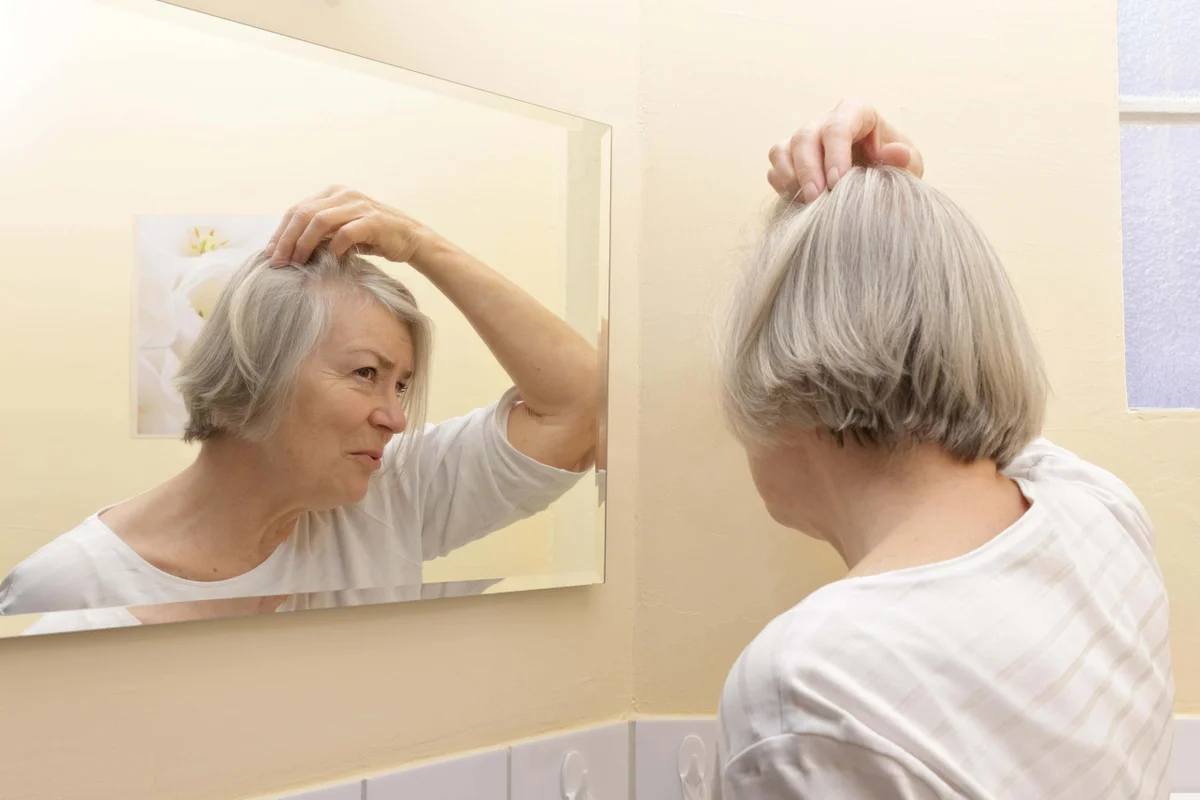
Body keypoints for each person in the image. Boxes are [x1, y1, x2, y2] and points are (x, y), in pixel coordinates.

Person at [713, 99, 1174, 798]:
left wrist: (877, 222)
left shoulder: (810, 686)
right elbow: (971, 397)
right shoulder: (1098, 515)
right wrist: (895, 214)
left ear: (783, 374)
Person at [0, 187, 597, 615]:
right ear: (257, 372)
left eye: (402, 385)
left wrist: (420, 245)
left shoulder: (390, 495)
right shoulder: (65, 591)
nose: (393, 417)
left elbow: (582, 405)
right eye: (366, 373)